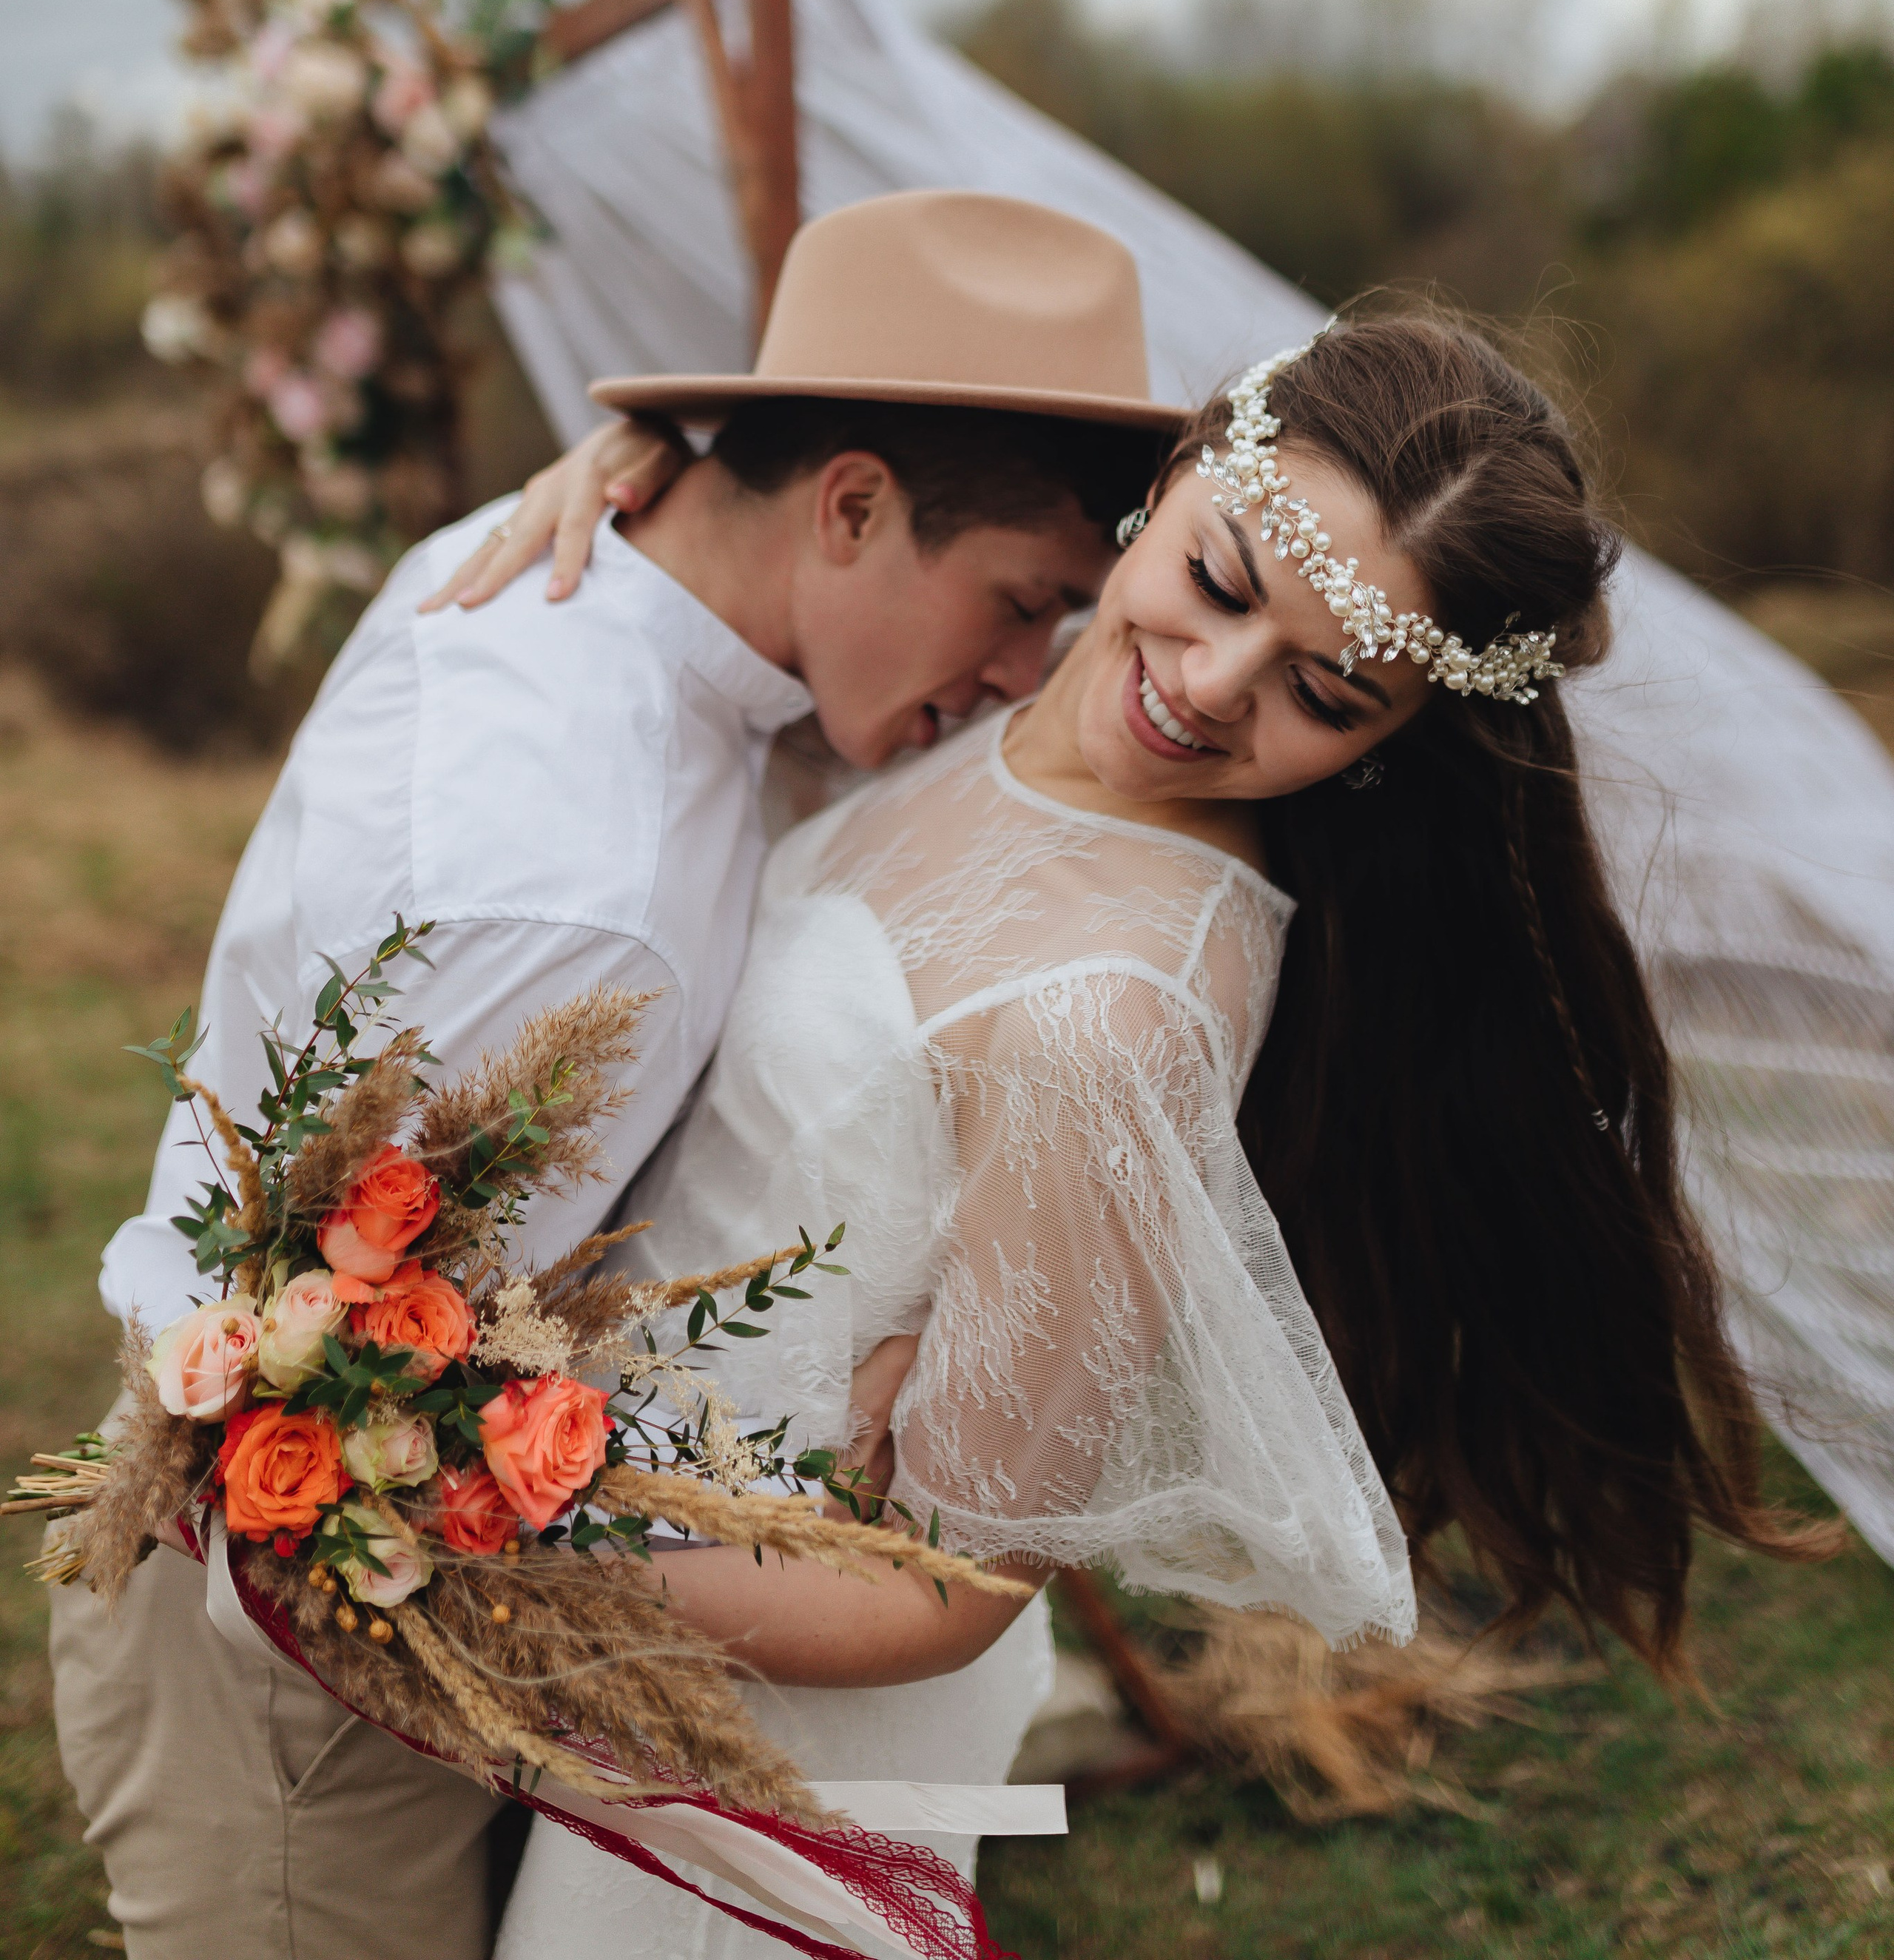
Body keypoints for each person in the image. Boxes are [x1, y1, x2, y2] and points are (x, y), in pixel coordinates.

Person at [472, 311, 1829, 1960]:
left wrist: (501, 1564)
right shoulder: (1008, 665)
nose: (1202, 687)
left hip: (763, 1736)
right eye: (1217, 582)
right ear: (1178, 473)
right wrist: (642, 484)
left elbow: (944, 1596)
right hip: (611, 1561)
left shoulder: (1109, 1019)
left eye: (1323, 695)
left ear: (1392, 743)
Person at [50, 188, 1179, 1960]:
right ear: (852, 503)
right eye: (1021, 605)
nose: (1027, 675)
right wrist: (878, 1548)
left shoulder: (550, 554)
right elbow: (354, 1411)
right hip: (284, 1647)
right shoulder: (583, 895)